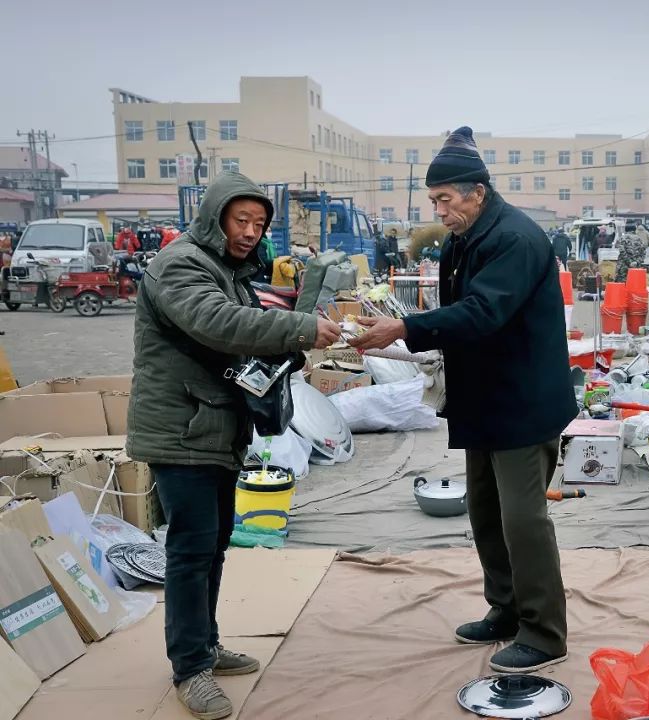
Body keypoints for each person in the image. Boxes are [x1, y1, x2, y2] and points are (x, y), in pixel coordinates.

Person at [350, 127, 576, 674]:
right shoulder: (462, 239)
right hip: (484, 398)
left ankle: (544, 632)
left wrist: (404, 327)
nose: (439, 210)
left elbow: (482, 313)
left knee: (523, 518)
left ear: (476, 192)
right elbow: (464, 319)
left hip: (522, 399)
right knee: (485, 512)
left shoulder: (514, 238)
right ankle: (506, 609)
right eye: (434, 201)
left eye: (445, 199)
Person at [127, 172, 341, 720]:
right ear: (214, 216)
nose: (250, 232)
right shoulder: (180, 264)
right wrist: (300, 327)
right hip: (181, 430)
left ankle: (206, 644)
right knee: (191, 551)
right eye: (240, 220)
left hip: (214, 427)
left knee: (214, 544)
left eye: (259, 223)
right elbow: (217, 323)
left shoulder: (227, 269)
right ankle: (190, 669)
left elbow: (243, 335)